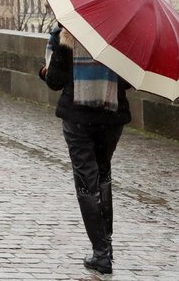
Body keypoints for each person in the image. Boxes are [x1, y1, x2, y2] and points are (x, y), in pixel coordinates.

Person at [39, 25, 130, 275]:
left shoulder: (66, 33)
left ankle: (101, 253)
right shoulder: (119, 34)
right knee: (103, 174)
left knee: (86, 181)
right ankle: (106, 248)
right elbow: (128, 81)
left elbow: (55, 81)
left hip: (78, 117)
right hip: (112, 116)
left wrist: (45, 70)